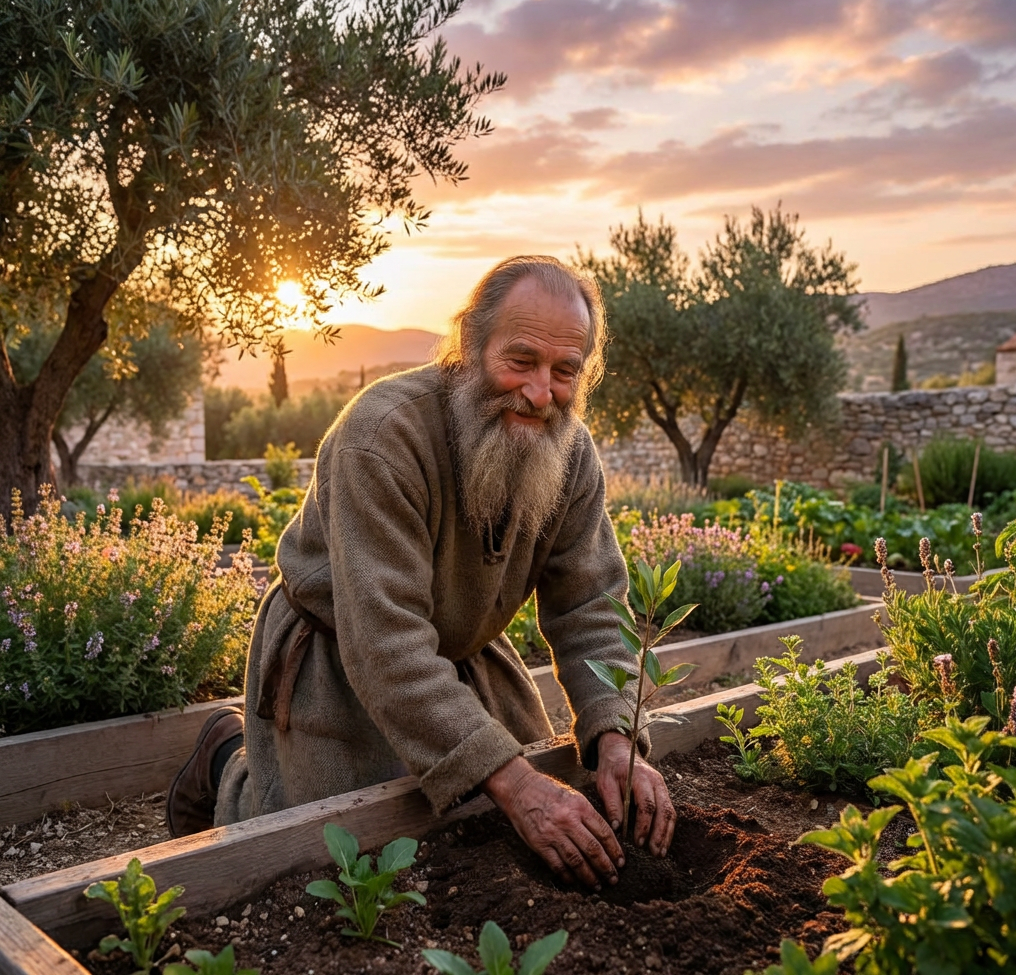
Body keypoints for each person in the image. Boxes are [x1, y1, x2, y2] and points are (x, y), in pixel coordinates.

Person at [166, 256, 676, 889]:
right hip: (341, 651)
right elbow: (386, 643)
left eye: (564, 370)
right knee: (339, 853)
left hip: (460, 655)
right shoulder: (380, 437)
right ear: (469, 347)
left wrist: (616, 736)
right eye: (520, 361)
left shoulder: (570, 456)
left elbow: (590, 609)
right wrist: (515, 781)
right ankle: (226, 758)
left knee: (503, 817)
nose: (542, 392)